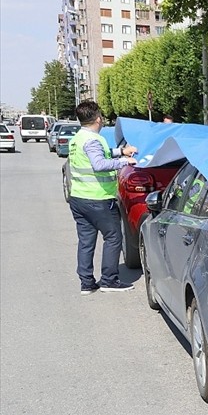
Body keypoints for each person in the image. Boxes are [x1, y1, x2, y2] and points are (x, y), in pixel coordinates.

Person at [67, 100, 138, 295]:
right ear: (98, 119)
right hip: (97, 199)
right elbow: (98, 163)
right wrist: (124, 160)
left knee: (86, 241)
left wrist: (120, 151)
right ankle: (109, 280)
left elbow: (99, 154)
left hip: (79, 199)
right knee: (114, 237)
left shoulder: (78, 139)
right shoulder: (93, 140)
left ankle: (87, 283)